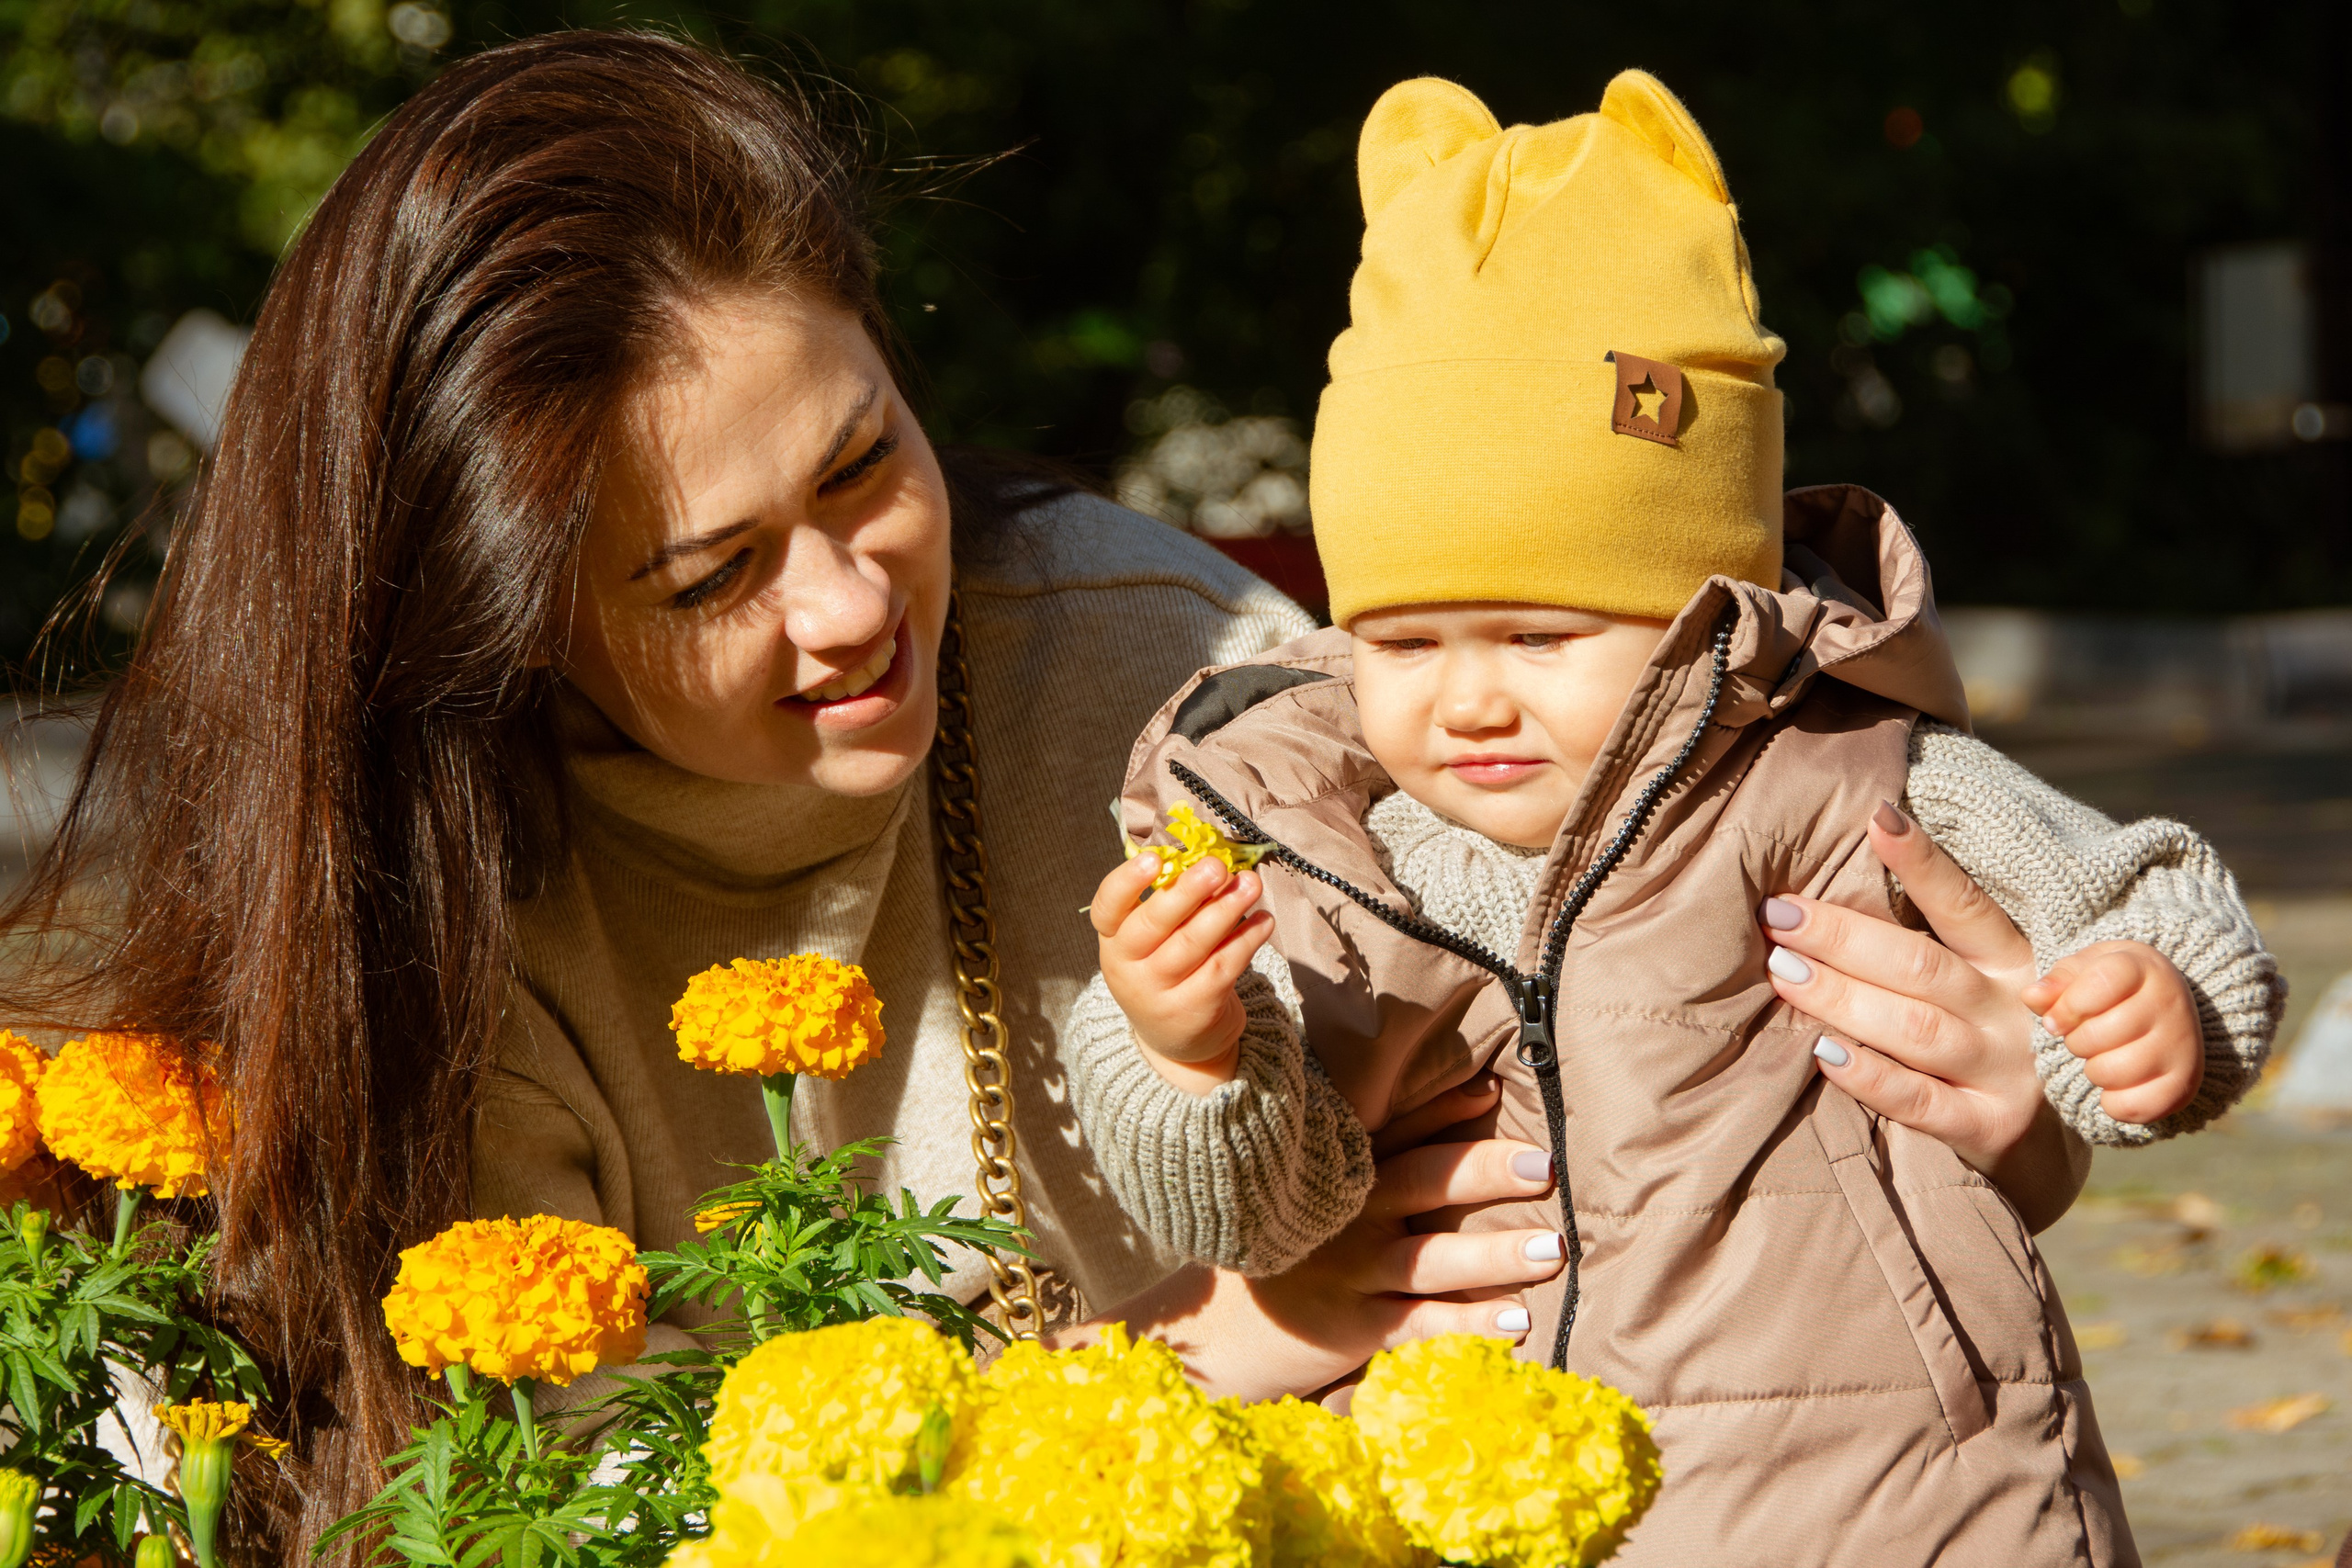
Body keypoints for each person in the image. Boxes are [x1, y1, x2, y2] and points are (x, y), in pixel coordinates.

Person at [0, 35, 2195, 1563]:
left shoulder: (1167, 675)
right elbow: (542, 1514)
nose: (851, 603)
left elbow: (1656, 1036)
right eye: (710, 577)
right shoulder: (433, 942)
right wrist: (1208, 1353)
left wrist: (1999, 1106)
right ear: (504, 629)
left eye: (863, 464)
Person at [1069, 74, 2280, 1563]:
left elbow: (2123, 881)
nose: (1467, 699)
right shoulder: (1324, 853)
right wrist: (1188, 1054)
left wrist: (2152, 1000)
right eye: (1405, 641)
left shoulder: (1844, 770)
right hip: (1493, 1510)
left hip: (1908, 1503)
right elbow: (1267, 1220)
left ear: (1707, 612)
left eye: (1539, 637)